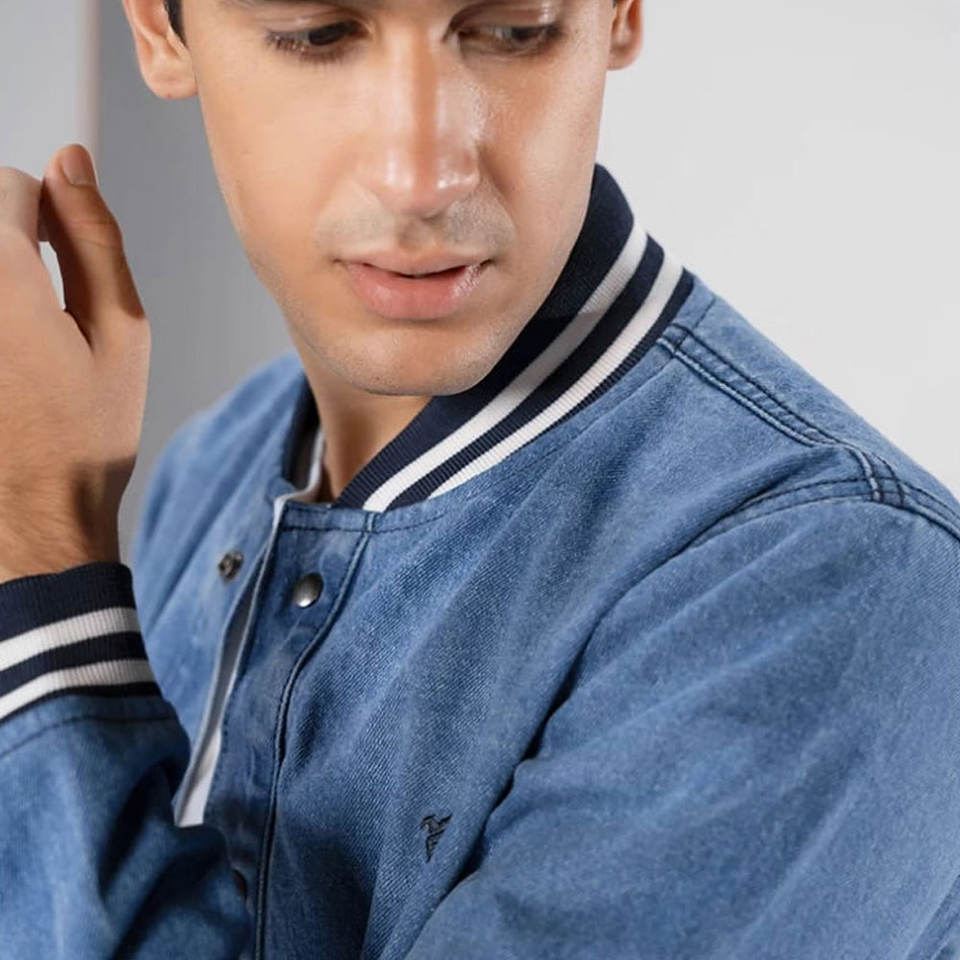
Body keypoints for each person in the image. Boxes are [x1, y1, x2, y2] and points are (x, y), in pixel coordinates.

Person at [1, 0, 959, 956]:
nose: (420, 177)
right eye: (316, 32)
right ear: (160, 30)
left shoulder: (840, 580)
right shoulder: (212, 463)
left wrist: (41, 562)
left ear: (621, 14)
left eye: (513, 27)